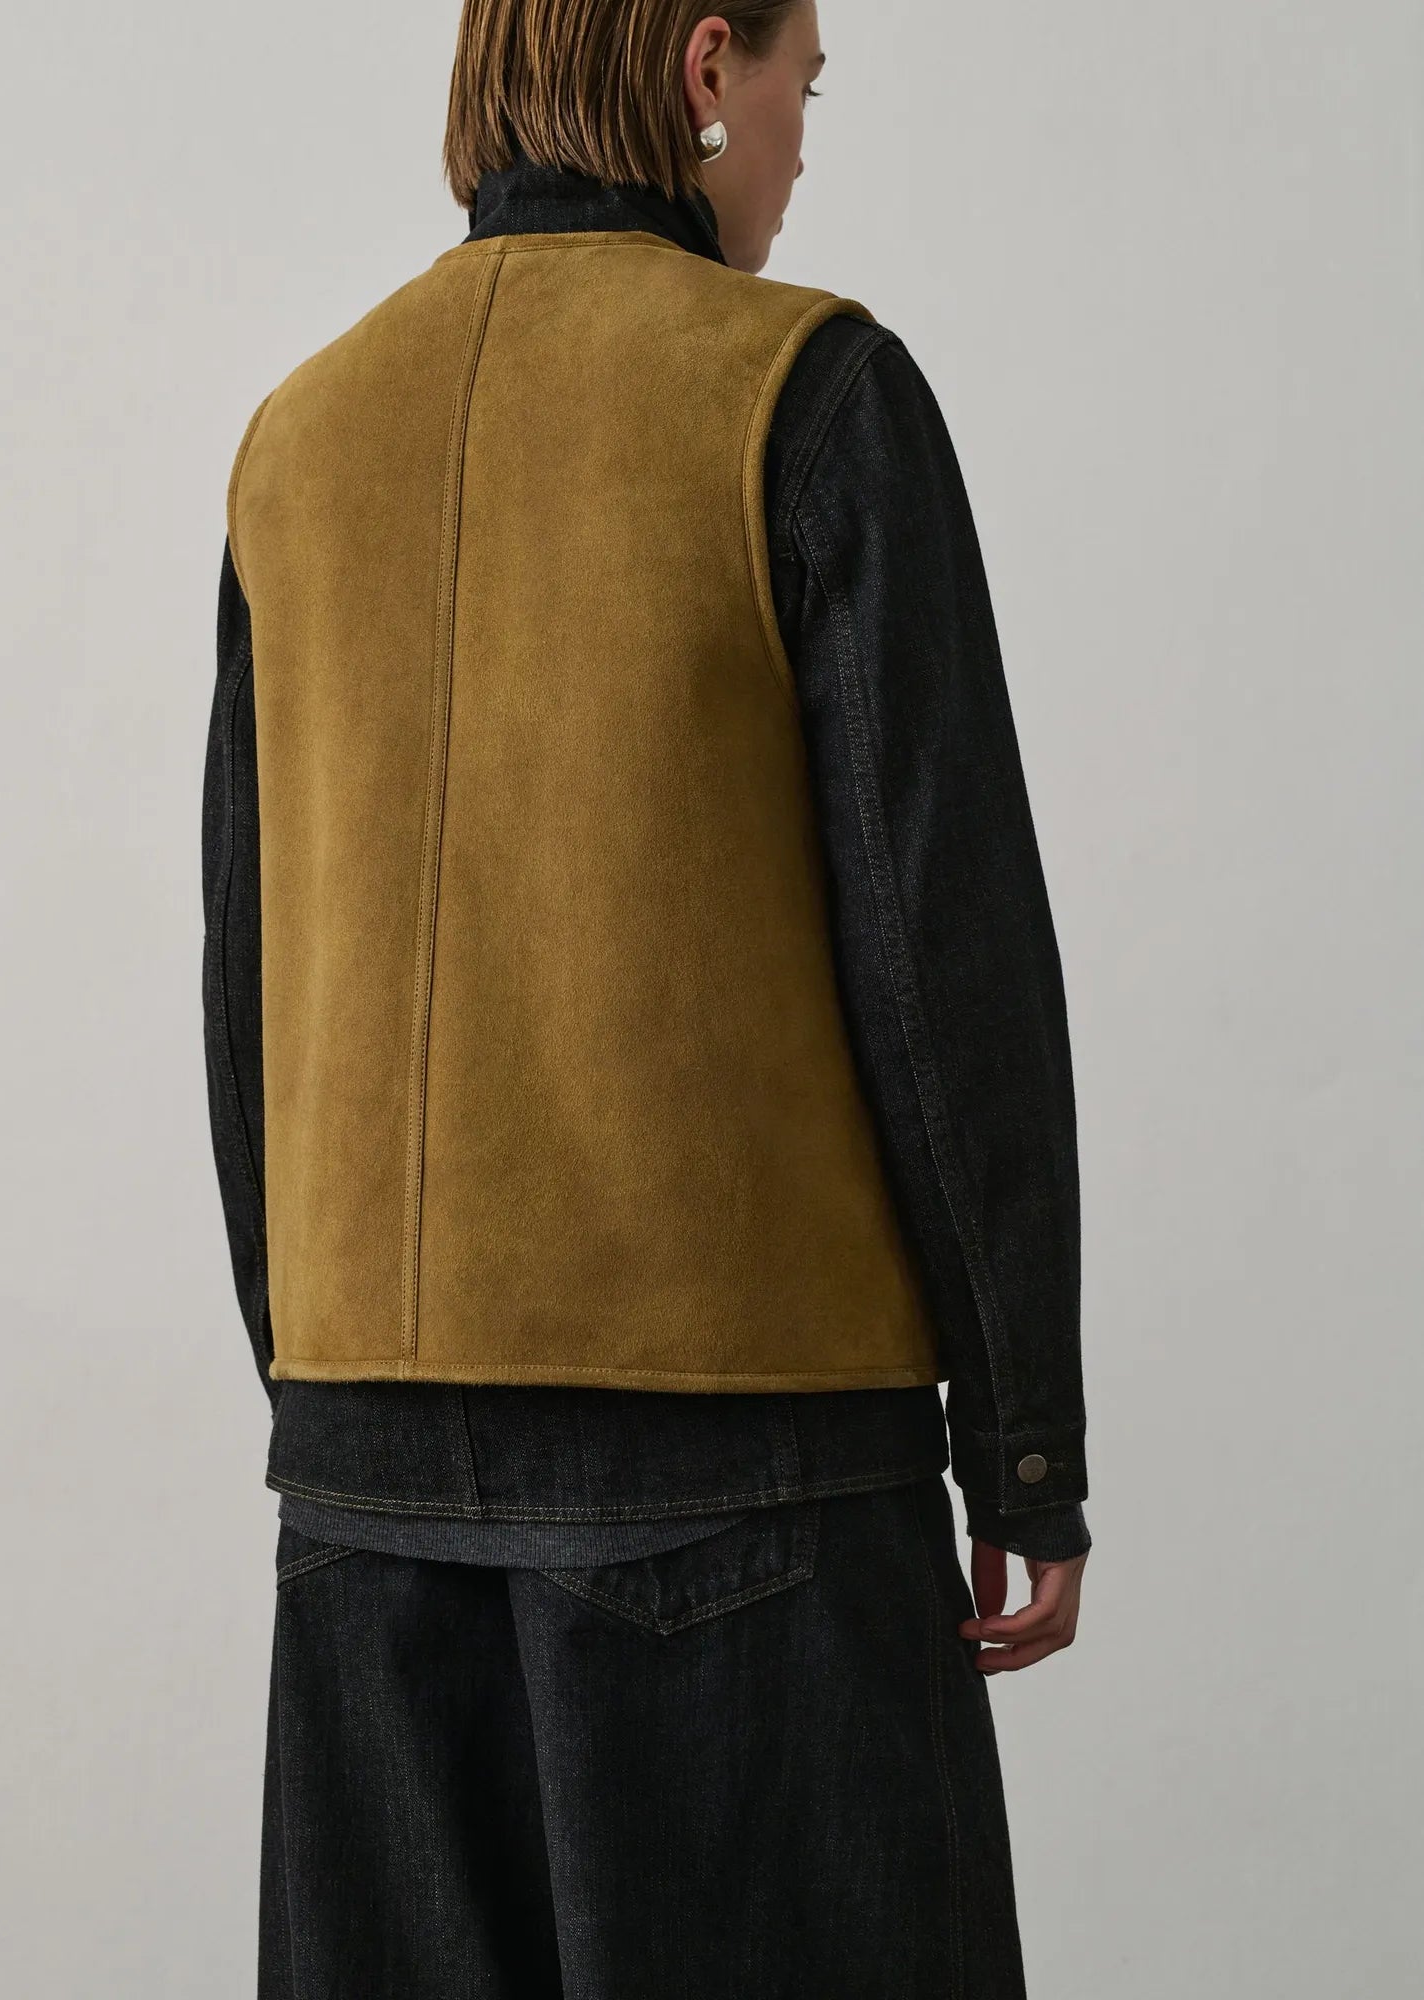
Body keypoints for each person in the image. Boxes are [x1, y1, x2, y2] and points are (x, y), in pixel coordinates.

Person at [202, 3, 1092, 1993]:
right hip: (750, 1476)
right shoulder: (808, 393)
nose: (800, 142)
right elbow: (940, 958)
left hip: (364, 1489)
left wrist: (334, 1405)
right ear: (704, 69)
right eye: (798, 85)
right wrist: (1024, 1442)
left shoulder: (299, 436)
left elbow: (244, 982)